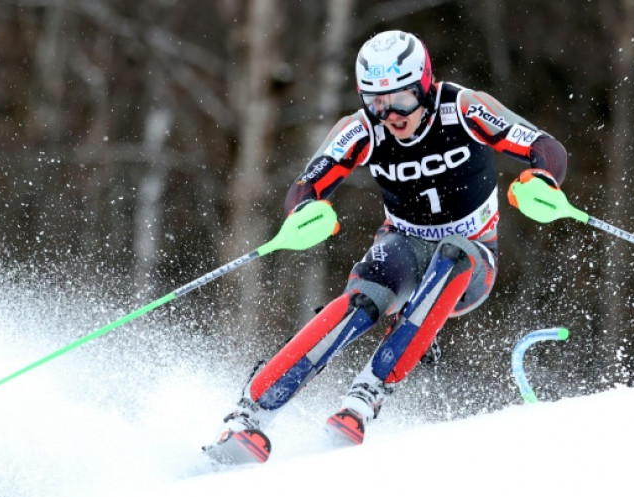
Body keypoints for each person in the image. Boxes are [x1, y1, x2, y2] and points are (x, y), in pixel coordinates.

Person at [204, 29, 568, 464]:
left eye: (401, 99)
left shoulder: (465, 109)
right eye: (376, 101)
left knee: (454, 253)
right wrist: (304, 211)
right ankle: (251, 414)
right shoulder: (362, 129)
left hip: (473, 258)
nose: (390, 114)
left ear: (425, 85)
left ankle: (365, 396)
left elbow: (542, 145)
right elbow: (310, 181)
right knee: (364, 297)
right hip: (404, 245)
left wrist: (542, 181)